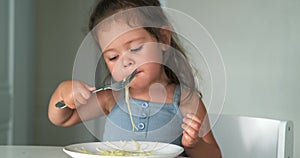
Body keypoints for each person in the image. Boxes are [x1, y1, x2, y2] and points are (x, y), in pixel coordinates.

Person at [48, 0, 221, 157]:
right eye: (113, 57)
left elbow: (214, 155)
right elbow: (62, 118)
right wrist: (63, 92)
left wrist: (194, 145)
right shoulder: (111, 97)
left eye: (136, 48)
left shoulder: (186, 100)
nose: (125, 62)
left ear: (163, 39)